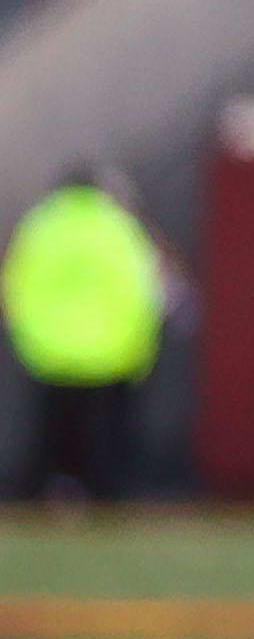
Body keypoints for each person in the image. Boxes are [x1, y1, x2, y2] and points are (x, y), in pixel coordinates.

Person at [4, 170, 167, 502]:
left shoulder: (40, 226)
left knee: (50, 437)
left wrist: (29, 339)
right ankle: (109, 498)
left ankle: (39, 496)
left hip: (48, 352)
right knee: (108, 443)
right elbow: (148, 290)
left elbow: (15, 285)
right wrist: (139, 349)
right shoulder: (121, 227)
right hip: (112, 353)